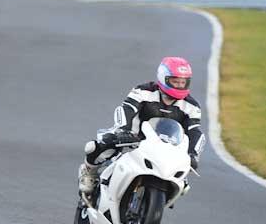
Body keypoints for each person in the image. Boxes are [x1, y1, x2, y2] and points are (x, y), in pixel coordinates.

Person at [78, 57, 206, 194]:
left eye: (183, 82)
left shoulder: (192, 106)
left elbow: (194, 131)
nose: (179, 86)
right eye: (175, 81)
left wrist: (193, 154)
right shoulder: (143, 91)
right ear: (163, 78)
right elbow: (127, 109)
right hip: (134, 140)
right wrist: (123, 130)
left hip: (167, 149)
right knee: (98, 145)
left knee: (183, 186)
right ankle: (89, 172)